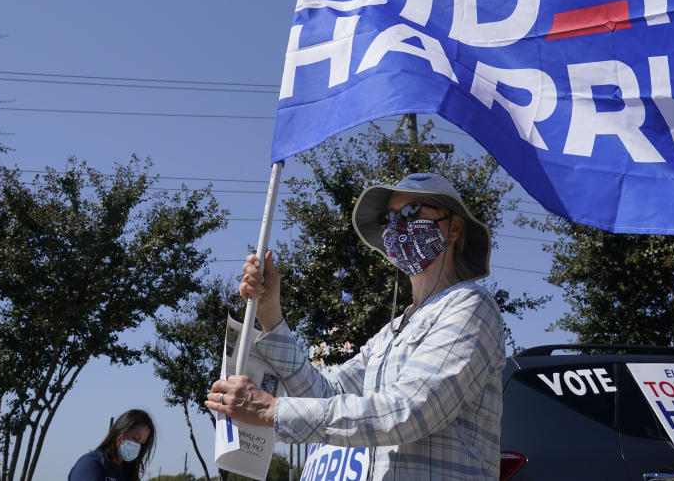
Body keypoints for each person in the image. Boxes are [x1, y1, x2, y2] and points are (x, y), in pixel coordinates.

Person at [206, 172, 506, 479]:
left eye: (412, 212)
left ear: (454, 228)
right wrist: (271, 313)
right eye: (391, 217)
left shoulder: (471, 305)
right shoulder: (389, 333)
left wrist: (271, 411)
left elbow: (410, 411)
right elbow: (326, 395)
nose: (398, 225)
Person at [68, 409, 155, 481]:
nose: (137, 446)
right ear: (119, 431)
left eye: (142, 443)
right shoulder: (91, 463)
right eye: (135, 438)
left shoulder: (128, 474)